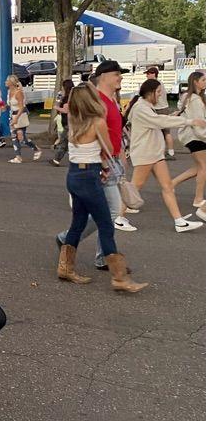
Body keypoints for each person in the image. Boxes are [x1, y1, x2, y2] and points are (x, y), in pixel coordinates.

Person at [57, 85, 146, 293]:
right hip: (89, 177)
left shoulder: (73, 120)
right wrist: (105, 167)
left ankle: (65, 268)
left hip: (74, 175)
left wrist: (102, 166)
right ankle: (120, 278)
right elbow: (109, 149)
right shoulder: (97, 122)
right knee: (106, 224)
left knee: (78, 223)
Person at [55, 61, 129, 271]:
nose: (120, 77)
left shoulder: (102, 105)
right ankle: (115, 271)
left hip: (84, 170)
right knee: (106, 217)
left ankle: (67, 259)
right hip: (94, 169)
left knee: (83, 219)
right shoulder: (98, 111)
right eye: (116, 74)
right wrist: (107, 165)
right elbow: (102, 144)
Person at [125, 79, 205, 233]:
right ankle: (117, 217)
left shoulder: (145, 106)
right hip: (145, 153)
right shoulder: (141, 108)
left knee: (167, 186)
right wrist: (190, 121)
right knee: (134, 188)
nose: (160, 96)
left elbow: (159, 120)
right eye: (158, 92)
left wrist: (178, 117)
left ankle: (179, 221)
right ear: (150, 93)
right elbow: (160, 121)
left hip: (153, 153)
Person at [171, 71, 206, 220]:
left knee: (200, 167)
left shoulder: (189, 97)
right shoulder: (195, 99)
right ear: (195, 82)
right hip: (195, 136)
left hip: (191, 135)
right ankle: (198, 198)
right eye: (203, 80)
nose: (205, 82)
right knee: (204, 166)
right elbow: (198, 122)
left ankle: (172, 183)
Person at [5, 75, 41, 163]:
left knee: (22, 138)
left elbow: (21, 107)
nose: (5, 82)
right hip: (12, 115)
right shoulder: (9, 92)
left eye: (7, 81)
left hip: (20, 116)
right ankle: (18, 157)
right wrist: (5, 107)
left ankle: (36, 149)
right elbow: (11, 104)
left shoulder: (19, 93)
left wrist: (16, 118)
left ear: (12, 83)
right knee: (14, 137)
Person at [145, 66, 176, 159]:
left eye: (148, 73)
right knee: (167, 132)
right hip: (165, 108)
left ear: (154, 74)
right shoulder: (160, 83)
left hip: (158, 109)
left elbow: (151, 98)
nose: (147, 75)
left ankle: (159, 152)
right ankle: (171, 152)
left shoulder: (153, 84)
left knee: (157, 133)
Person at [51, 79, 75, 166]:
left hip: (68, 123)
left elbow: (66, 110)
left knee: (63, 141)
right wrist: (59, 99)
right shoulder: (71, 96)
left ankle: (57, 159)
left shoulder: (68, 98)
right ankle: (56, 160)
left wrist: (56, 107)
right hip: (69, 122)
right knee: (65, 142)